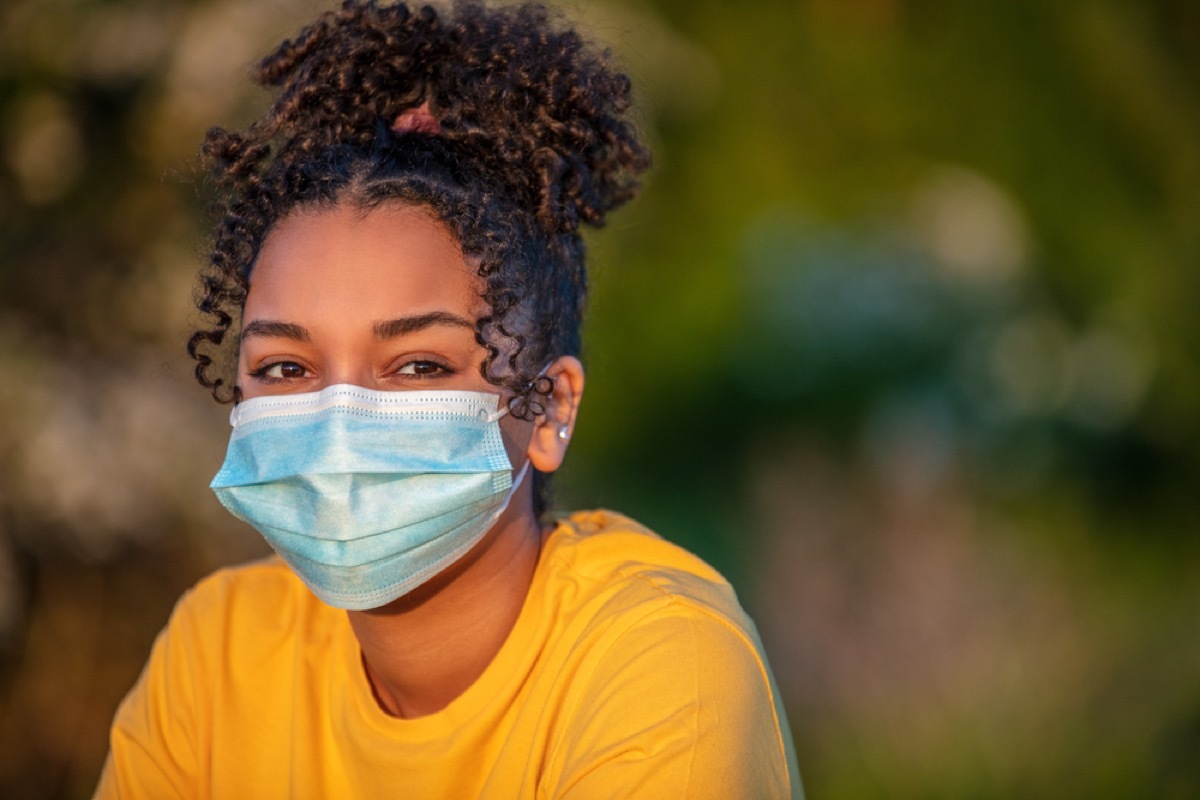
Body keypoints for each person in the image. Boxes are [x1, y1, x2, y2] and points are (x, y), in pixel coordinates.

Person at [95, 1, 803, 797]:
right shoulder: (217, 650)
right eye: (287, 368)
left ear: (549, 408)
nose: (338, 421)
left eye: (418, 366)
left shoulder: (662, 659)